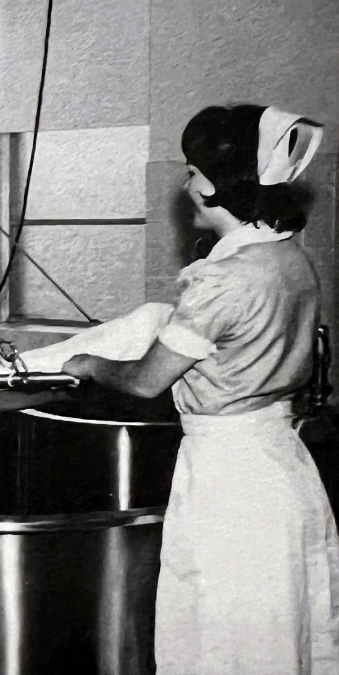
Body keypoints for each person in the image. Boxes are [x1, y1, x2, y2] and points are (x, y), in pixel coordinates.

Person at [63, 105, 339, 674]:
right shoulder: (290, 257)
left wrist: (91, 363)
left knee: (226, 630)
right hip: (282, 462)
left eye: (192, 171)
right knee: (279, 627)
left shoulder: (224, 280)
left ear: (215, 184)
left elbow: (146, 381)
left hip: (230, 475)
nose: (186, 183)